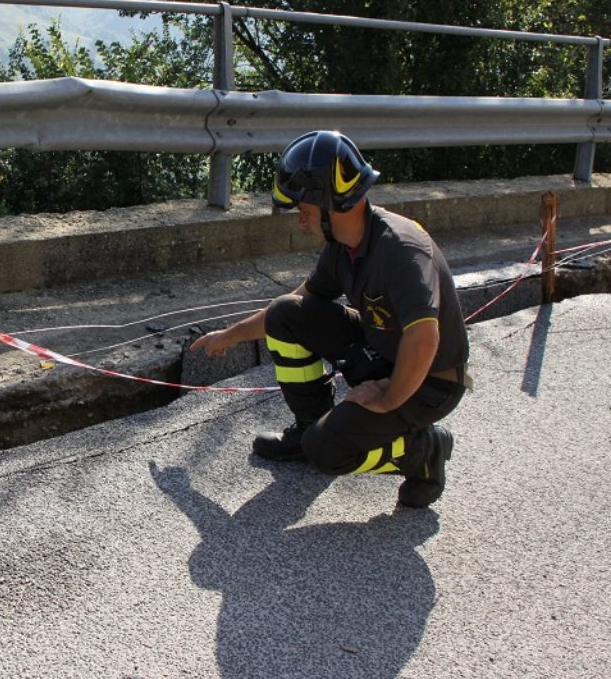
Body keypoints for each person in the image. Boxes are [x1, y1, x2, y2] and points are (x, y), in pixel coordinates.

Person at [191, 130, 470, 508]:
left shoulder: (402, 251)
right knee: (285, 314)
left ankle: (422, 450)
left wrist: (388, 397)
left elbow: (424, 340)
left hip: (428, 382)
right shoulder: (343, 248)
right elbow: (297, 304)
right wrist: (233, 335)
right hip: (383, 350)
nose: (301, 222)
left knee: (327, 452)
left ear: (331, 203)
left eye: (304, 210)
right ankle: (310, 425)